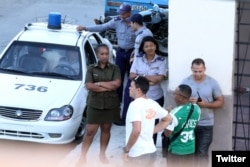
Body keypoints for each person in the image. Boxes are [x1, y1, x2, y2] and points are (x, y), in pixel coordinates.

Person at [77, 3, 135, 104]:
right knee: (118, 78)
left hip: (132, 54)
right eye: (120, 13)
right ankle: (117, 102)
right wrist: (86, 28)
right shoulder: (117, 21)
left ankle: (130, 102)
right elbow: (102, 27)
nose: (121, 16)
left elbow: (143, 36)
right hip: (121, 53)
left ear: (129, 13)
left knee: (132, 79)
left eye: (123, 14)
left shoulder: (135, 22)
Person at [77, 44, 121, 165]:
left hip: (110, 104)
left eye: (106, 54)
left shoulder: (114, 68)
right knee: (90, 131)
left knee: (106, 129)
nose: (104, 56)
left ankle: (102, 154)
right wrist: (107, 87)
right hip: (95, 104)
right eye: (102, 54)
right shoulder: (91, 68)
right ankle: (82, 157)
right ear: (97, 54)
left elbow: (117, 84)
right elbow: (89, 85)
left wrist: (99, 84)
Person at [181, 58, 224, 166]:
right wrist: (187, 101)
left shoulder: (212, 82)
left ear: (204, 69)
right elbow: (179, 101)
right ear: (191, 69)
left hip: (206, 123)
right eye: (195, 71)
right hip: (189, 123)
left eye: (200, 71)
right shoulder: (185, 81)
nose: (198, 74)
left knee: (202, 153)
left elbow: (221, 102)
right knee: (189, 154)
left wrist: (206, 104)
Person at [122, 76, 172, 167]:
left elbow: (136, 131)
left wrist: (126, 150)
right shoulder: (153, 103)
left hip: (137, 154)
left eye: (131, 86)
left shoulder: (134, 105)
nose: (129, 88)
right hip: (151, 151)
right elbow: (168, 119)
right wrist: (151, 130)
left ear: (138, 90)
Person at [116, 14, 153, 126]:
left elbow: (143, 53)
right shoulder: (146, 32)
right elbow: (140, 50)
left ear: (135, 23)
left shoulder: (141, 36)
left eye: (131, 23)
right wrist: (134, 53)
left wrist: (135, 58)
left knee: (129, 92)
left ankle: (125, 118)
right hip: (142, 68)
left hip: (138, 69)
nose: (130, 25)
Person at [129, 36, 168, 144]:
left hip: (156, 97)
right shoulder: (138, 59)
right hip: (139, 97)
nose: (149, 48)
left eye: (151, 45)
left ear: (155, 46)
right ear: (143, 48)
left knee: (153, 124)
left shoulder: (161, 60)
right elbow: (132, 75)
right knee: (139, 123)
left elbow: (160, 78)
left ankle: (152, 146)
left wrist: (141, 77)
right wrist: (150, 78)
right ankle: (139, 145)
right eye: (146, 46)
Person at [164, 84, 201, 167]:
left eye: (175, 94)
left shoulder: (174, 113)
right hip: (191, 149)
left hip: (176, 151)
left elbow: (167, 134)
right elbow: (195, 124)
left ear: (181, 97)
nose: (173, 95)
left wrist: (166, 116)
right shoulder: (197, 108)